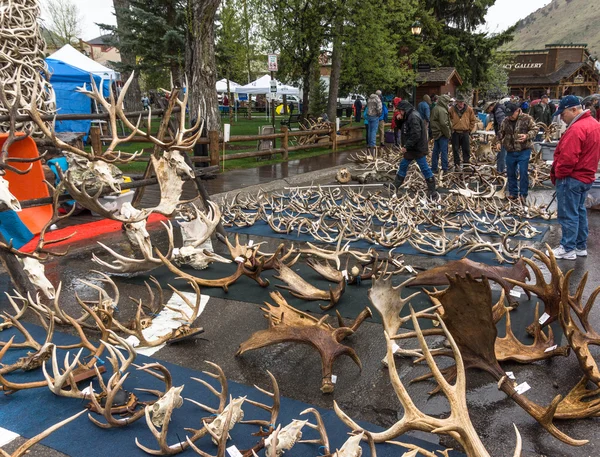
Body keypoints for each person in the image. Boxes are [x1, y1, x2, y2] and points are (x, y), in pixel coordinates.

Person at [548, 95, 600, 260]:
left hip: (571, 178)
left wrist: (559, 175)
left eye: (563, 114)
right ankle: (579, 246)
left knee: (568, 213)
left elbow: (568, 158)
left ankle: (567, 248)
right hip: (586, 175)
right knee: (579, 211)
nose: (562, 119)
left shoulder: (577, 129)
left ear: (573, 109)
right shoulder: (594, 125)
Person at [393, 100, 436, 195]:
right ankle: (395, 186)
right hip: (412, 147)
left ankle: (432, 189)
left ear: (404, 110)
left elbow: (416, 134)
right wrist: (398, 119)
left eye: (400, 111)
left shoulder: (413, 117)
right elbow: (402, 127)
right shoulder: (407, 116)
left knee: (424, 167)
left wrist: (406, 146)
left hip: (417, 148)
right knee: (403, 165)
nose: (399, 112)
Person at [497, 102, 538, 203]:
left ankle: (523, 194)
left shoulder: (527, 118)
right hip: (510, 151)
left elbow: (535, 129)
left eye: (511, 114)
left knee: (523, 172)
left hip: (524, 150)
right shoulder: (505, 120)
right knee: (511, 172)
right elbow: (501, 132)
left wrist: (527, 136)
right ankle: (513, 193)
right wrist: (498, 142)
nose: (510, 116)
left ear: (517, 110)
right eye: (508, 115)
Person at [449, 94, 477, 168]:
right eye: (459, 102)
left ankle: (466, 164)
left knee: (466, 149)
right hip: (455, 132)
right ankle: (457, 164)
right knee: (455, 149)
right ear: (456, 102)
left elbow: (473, 120)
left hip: (465, 132)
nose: (461, 104)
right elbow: (448, 120)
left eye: (462, 102)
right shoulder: (451, 109)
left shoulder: (469, 109)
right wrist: (451, 128)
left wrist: (469, 129)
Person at [430, 94, 452, 173]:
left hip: (436, 133)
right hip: (442, 133)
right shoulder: (442, 110)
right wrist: (448, 134)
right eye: (448, 102)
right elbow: (444, 124)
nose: (449, 104)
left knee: (435, 151)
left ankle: (434, 168)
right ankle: (445, 168)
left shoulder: (436, 108)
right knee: (444, 152)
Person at [484, 100, 507, 173]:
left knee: (502, 154)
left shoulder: (498, 111)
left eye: (488, 110)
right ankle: (500, 169)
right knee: (501, 154)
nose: (489, 111)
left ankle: (501, 171)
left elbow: (502, 126)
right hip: (506, 135)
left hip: (504, 136)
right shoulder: (499, 109)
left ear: (491, 107)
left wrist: (500, 139)